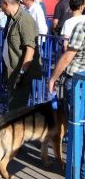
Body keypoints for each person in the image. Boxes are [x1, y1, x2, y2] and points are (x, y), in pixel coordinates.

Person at [48, 21, 85, 178]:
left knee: (77, 129)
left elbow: (68, 56)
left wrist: (52, 79)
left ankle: (77, 171)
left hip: (78, 82)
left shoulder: (82, 26)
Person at [0, 0, 42, 111]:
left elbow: (30, 49)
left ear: (5, 3)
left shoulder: (24, 20)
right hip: (13, 72)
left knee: (16, 112)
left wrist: (21, 74)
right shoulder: (12, 19)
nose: (0, 9)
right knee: (15, 110)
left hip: (21, 75)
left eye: (1, 5)